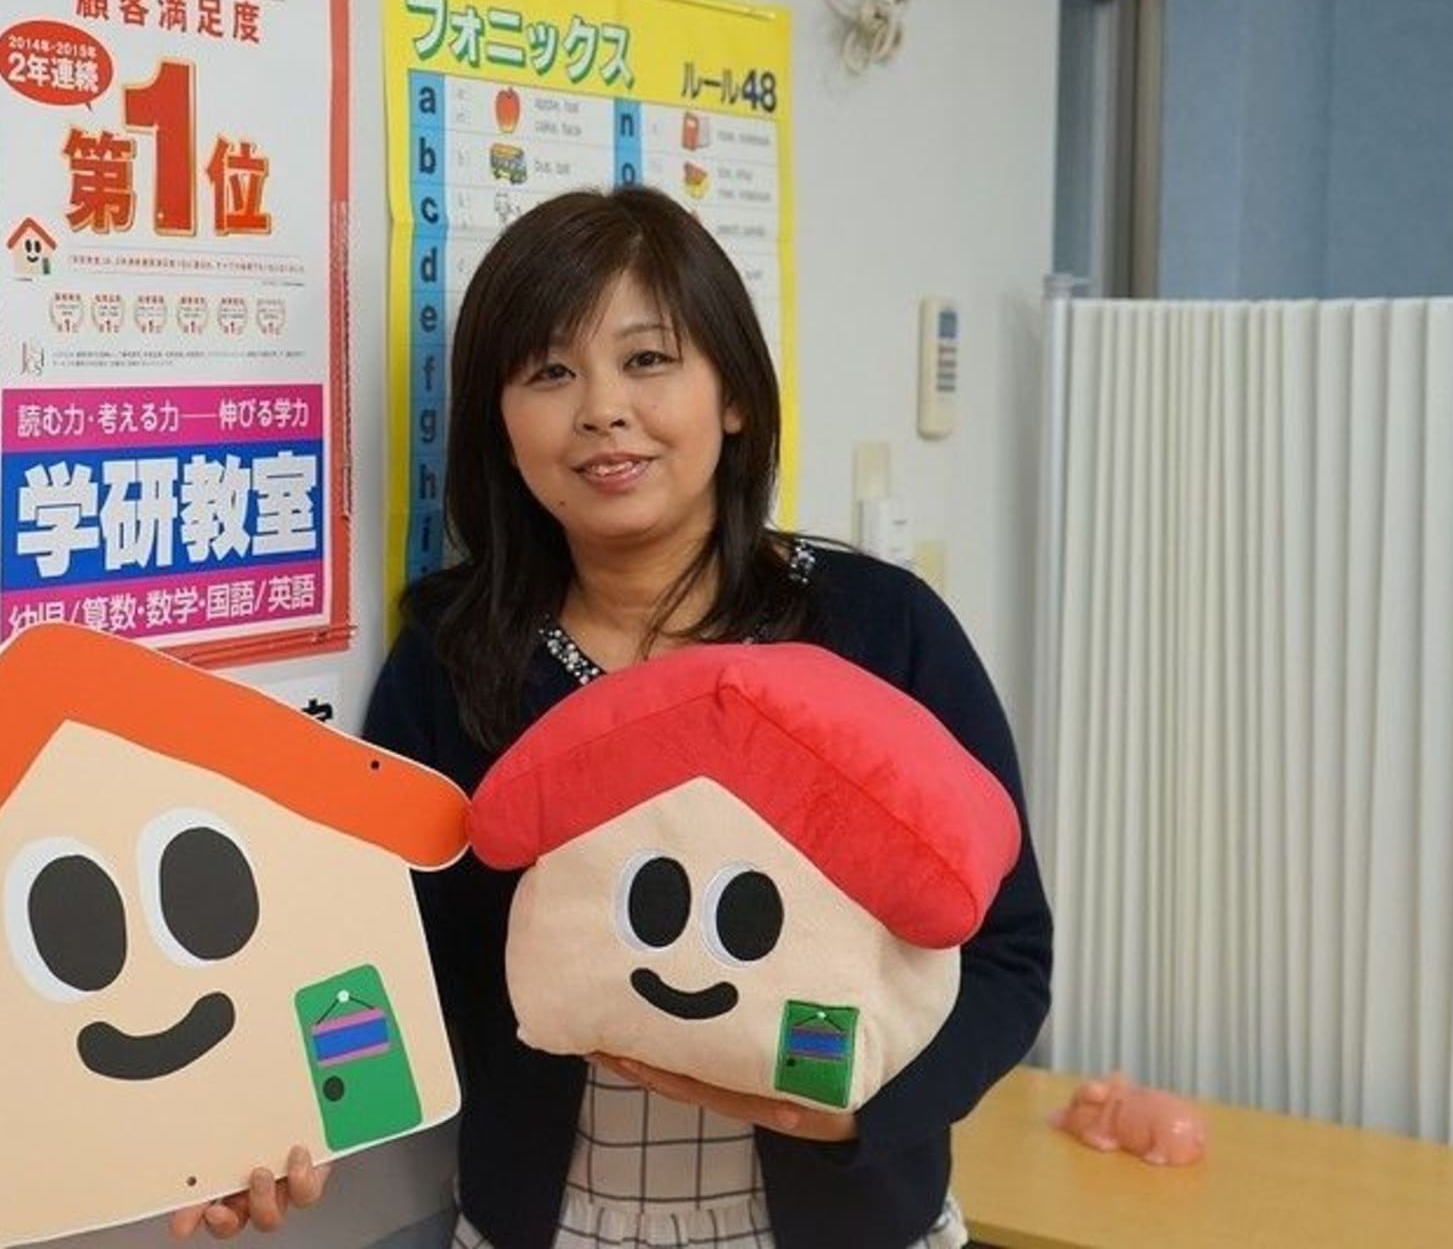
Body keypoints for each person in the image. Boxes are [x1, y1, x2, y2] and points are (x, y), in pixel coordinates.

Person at [177, 184, 1050, 1248]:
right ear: (501, 425)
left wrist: (860, 1113)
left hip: (847, 1218)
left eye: (647, 359)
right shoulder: (455, 656)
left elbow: (1008, 951)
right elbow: (390, 965)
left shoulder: (877, 627)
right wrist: (278, 1120)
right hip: (554, 1224)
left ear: (734, 395)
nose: (600, 408)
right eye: (550, 373)